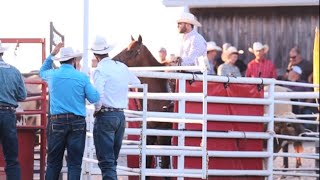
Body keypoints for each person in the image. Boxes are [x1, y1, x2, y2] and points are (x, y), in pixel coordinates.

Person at [39, 43, 100, 180]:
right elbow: (94, 98)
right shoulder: (82, 77)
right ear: (73, 61)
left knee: (53, 163)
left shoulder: (52, 75)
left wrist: (52, 54)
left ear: (60, 61)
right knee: (74, 164)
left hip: (57, 121)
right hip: (77, 121)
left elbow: (41, 72)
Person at [90, 36, 141, 180]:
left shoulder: (100, 70)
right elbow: (136, 82)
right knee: (112, 161)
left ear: (96, 55)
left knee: (107, 162)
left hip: (106, 115)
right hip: (120, 116)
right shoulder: (121, 67)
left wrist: (97, 109)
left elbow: (98, 95)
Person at [0, 41, 27, 180]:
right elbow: (22, 95)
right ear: (2, 53)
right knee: (11, 157)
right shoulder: (14, 71)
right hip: (8, 113)